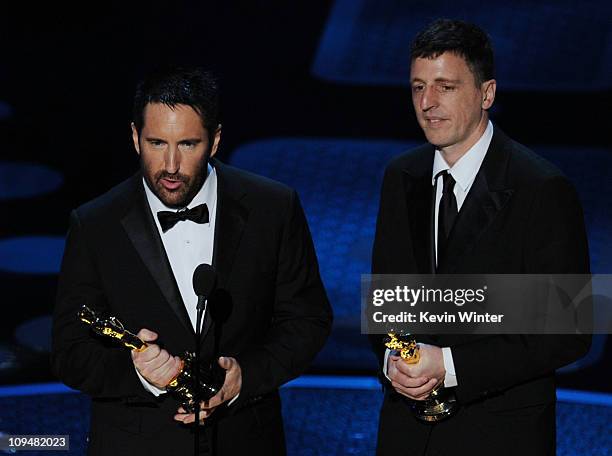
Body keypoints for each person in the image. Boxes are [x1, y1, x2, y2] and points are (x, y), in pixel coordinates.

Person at [52, 66, 332, 455]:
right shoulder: (95, 224)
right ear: (134, 137)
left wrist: (246, 377)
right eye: (155, 143)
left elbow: (307, 319)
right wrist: (138, 373)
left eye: (187, 144)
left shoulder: (273, 207)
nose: (170, 165)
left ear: (214, 140)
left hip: (244, 440)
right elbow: (70, 352)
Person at [370, 19, 591, 455]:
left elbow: (570, 330)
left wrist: (449, 365)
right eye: (418, 87)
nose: (428, 103)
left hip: (498, 433)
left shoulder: (542, 188)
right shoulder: (401, 176)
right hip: (407, 430)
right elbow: (390, 299)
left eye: (446, 87)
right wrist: (397, 360)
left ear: (487, 93)